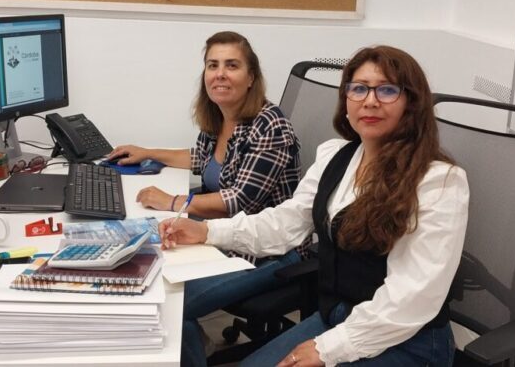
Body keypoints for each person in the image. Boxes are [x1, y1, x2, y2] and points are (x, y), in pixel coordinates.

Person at [159, 45, 469, 367]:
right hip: (336, 318)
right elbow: (285, 223)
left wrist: (328, 349)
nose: (370, 100)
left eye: (387, 90)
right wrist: (207, 231)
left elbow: (413, 298)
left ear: (411, 103)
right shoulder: (336, 156)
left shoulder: (439, 182)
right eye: (359, 88)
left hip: (404, 339)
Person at [109, 31, 302, 222]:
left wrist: (171, 201)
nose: (220, 74)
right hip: (219, 225)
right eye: (213, 65)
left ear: (250, 77)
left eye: (232, 65)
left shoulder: (271, 126)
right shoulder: (218, 115)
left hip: (256, 237)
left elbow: (240, 202)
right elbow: (201, 158)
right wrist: (147, 153)